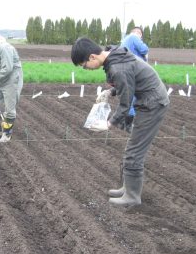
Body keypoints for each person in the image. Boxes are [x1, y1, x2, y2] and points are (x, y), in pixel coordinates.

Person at [71, 37, 169, 206]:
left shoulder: (118, 67)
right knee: (132, 147)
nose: (85, 68)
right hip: (150, 100)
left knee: (134, 151)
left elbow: (125, 103)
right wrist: (110, 92)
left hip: (153, 104)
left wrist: (108, 124)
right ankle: (127, 188)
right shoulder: (115, 55)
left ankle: (132, 196)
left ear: (92, 57)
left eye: (84, 65)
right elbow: (129, 81)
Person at [119, 26, 149, 117]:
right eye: (139, 34)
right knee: (135, 92)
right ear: (138, 34)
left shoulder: (124, 40)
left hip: (124, 68)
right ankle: (132, 116)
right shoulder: (134, 37)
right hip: (134, 69)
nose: (139, 35)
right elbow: (144, 49)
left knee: (129, 92)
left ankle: (129, 115)